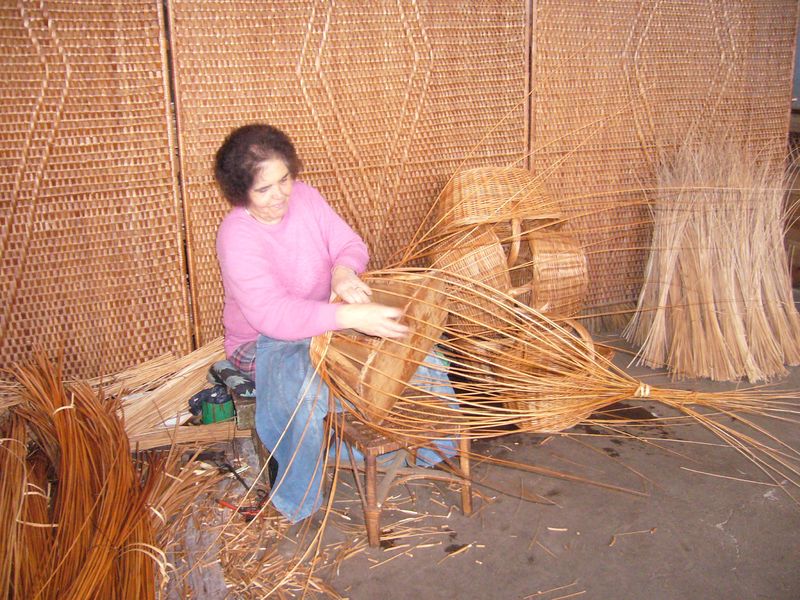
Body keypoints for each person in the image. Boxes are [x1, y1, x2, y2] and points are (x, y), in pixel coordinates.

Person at [214, 124, 422, 522]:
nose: (279, 196)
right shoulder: (236, 236)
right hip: (262, 340)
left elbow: (348, 243)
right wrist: (349, 316)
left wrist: (343, 273)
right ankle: (296, 499)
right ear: (239, 192)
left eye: (284, 180)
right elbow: (272, 314)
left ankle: (425, 451)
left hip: (324, 318)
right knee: (306, 391)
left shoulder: (306, 198)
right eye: (263, 189)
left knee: (412, 348)